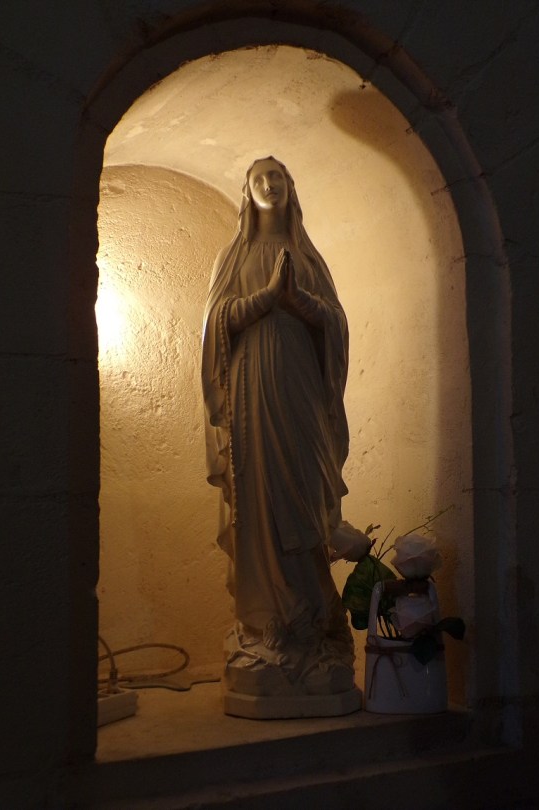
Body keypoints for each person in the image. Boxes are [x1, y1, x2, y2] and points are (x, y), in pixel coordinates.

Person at [202, 157, 360, 698]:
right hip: (251, 394)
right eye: (261, 177)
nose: (271, 183)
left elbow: (335, 324)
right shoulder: (234, 256)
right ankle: (267, 621)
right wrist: (265, 300)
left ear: (292, 188)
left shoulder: (309, 257)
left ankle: (316, 626)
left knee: (305, 496)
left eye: (280, 176)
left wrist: (301, 302)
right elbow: (215, 325)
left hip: (300, 395)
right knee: (264, 501)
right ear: (247, 191)